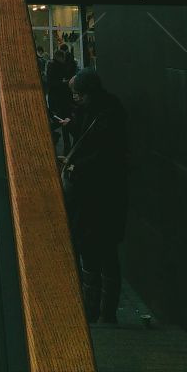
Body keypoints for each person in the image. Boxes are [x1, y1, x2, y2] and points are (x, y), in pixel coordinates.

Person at [61, 68, 127, 325]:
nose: (75, 99)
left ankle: (98, 311)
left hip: (98, 196)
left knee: (95, 252)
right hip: (104, 197)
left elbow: (106, 153)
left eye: (78, 95)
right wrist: (74, 124)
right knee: (105, 253)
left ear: (89, 93)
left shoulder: (106, 116)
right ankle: (103, 312)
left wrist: (78, 167)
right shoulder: (105, 111)